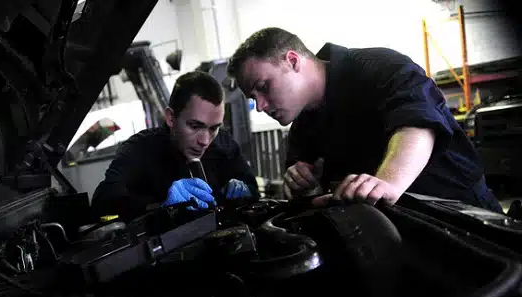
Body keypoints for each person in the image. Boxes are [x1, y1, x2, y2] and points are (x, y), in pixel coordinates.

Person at [226, 27, 504, 213]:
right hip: (393, 235)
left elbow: (417, 123)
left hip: (464, 215)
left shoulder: (380, 68)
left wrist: (388, 182)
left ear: (292, 61)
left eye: (263, 87)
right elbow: (309, 196)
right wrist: (303, 188)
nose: (260, 106)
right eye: (253, 98)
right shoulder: (303, 126)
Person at [91, 71, 260, 220]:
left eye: (214, 128)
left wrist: (245, 191)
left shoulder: (223, 144)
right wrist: (161, 205)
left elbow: (253, 189)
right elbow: (102, 203)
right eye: (195, 126)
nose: (205, 140)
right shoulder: (140, 148)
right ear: (171, 118)